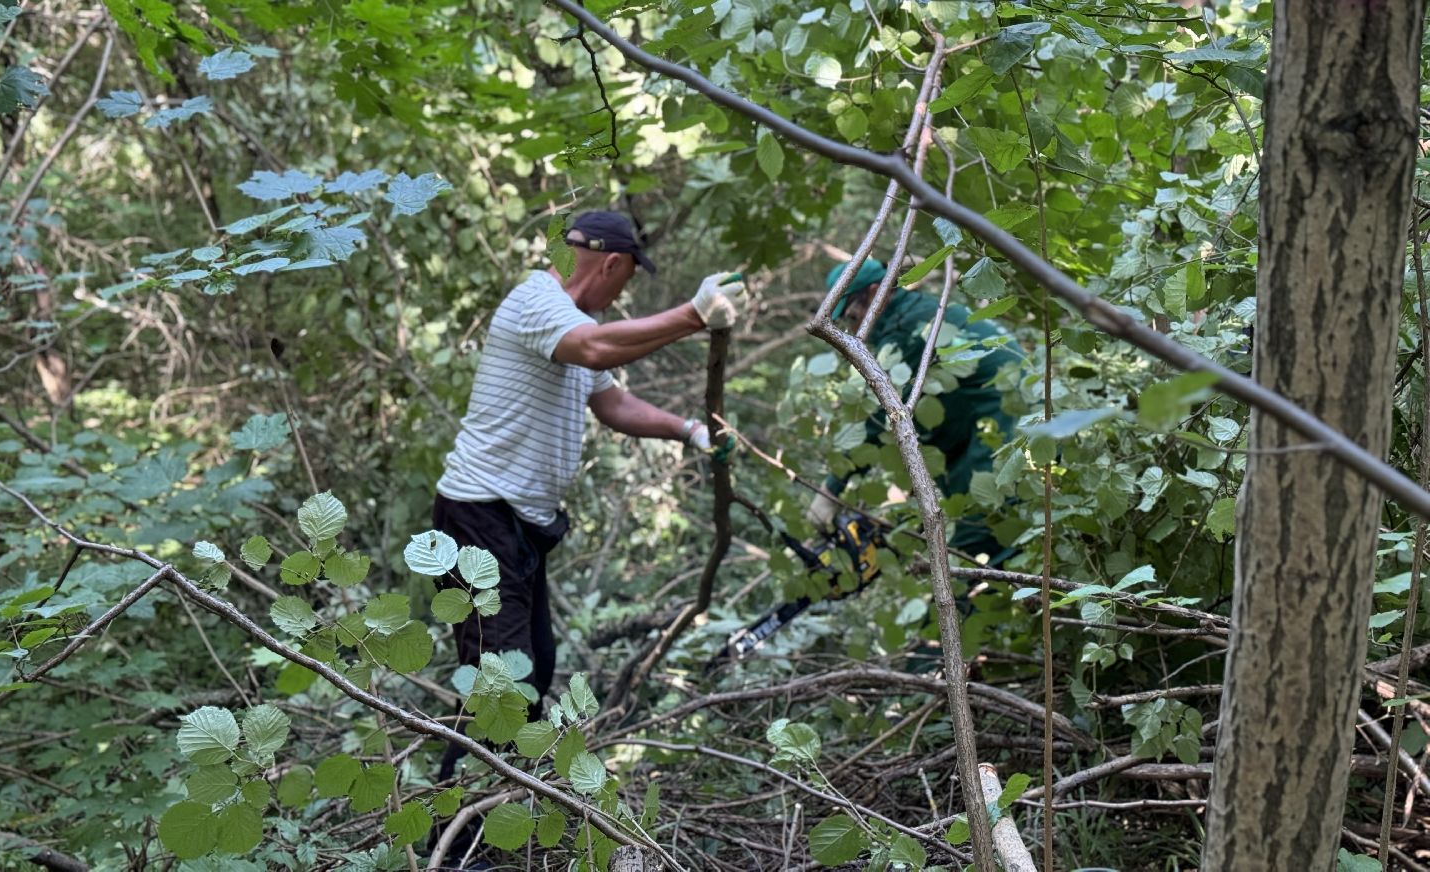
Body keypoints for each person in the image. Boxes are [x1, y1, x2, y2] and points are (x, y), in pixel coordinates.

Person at [432, 210, 743, 762]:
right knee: (501, 682)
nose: (622, 294)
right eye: (627, 280)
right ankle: (462, 815)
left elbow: (613, 403)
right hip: (479, 516)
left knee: (532, 668)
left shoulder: (571, 321)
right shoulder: (539, 303)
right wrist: (694, 315)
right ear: (612, 264)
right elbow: (596, 347)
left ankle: (483, 797)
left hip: (517, 525)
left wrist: (689, 430)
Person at [808, 258, 1025, 565]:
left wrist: (831, 491)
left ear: (875, 293)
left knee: (978, 544)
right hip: (989, 427)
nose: (854, 328)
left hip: (1002, 426)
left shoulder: (908, 329)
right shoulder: (922, 312)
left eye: (853, 316)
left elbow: (882, 418)